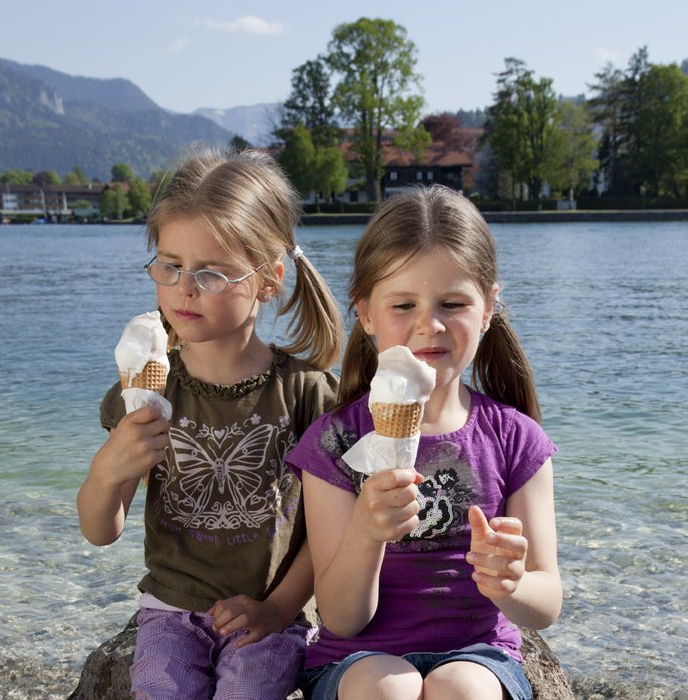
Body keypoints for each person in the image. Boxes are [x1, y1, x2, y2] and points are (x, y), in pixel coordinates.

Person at [77, 147, 343, 700]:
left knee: (250, 690)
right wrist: (107, 472)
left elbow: (328, 532)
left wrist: (278, 607)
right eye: (169, 265)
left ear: (269, 280)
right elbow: (100, 530)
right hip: (169, 608)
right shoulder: (144, 389)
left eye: (211, 273)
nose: (184, 288)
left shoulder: (305, 393)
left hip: (270, 613)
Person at [285, 184, 561, 700]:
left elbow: (545, 604)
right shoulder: (334, 443)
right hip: (356, 658)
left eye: (452, 303)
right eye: (403, 304)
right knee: (389, 688)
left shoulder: (515, 439)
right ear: (365, 313)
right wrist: (366, 533)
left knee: (462, 687)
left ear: (487, 309)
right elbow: (342, 617)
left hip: (479, 652)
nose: (428, 325)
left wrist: (513, 584)